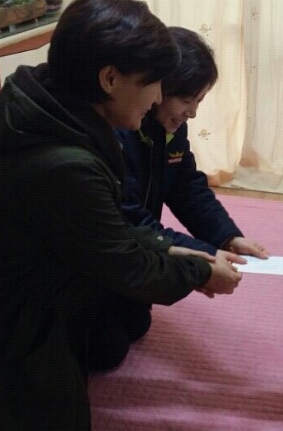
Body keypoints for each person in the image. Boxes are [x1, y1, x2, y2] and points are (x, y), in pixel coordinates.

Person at [0, 0, 242, 430]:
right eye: (154, 83)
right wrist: (199, 270)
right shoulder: (67, 163)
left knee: (123, 327)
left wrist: (186, 248)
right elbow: (127, 264)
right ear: (110, 79)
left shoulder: (59, 113)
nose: (158, 96)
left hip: (28, 288)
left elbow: (111, 225)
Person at [90, 27, 270, 370]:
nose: (193, 113)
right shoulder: (117, 133)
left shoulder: (170, 128)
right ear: (158, 88)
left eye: (199, 102)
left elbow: (187, 186)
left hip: (133, 244)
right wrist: (203, 261)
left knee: (135, 322)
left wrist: (227, 237)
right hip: (108, 249)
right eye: (188, 101)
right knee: (107, 349)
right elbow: (129, 220)